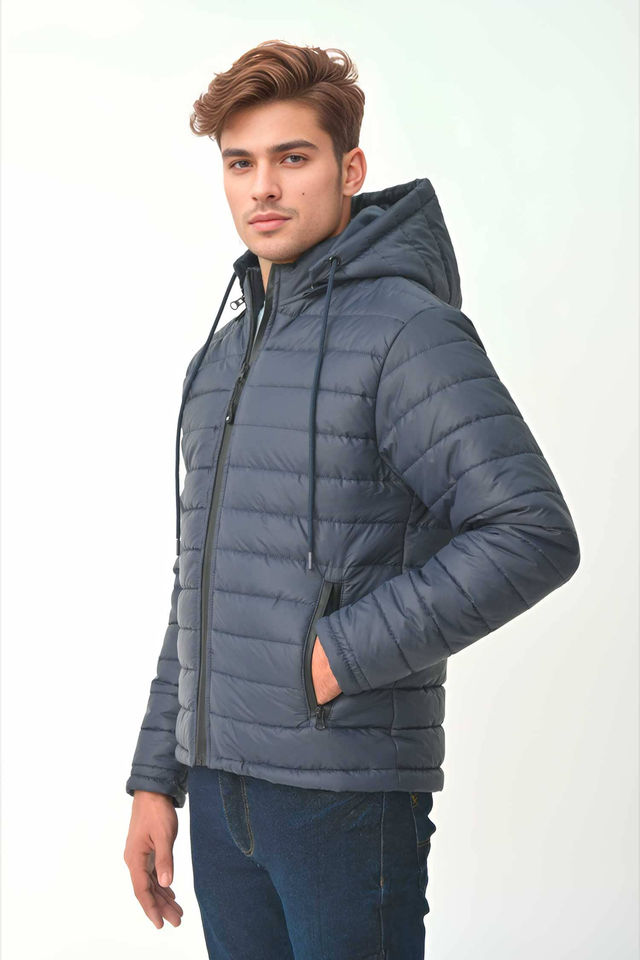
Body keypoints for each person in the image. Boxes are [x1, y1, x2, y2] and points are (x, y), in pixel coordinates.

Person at [123, 39, 581, 959]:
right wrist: (156, 776)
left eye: (292, 157)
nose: (263, 188)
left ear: (350, 169)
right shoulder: (219, 360)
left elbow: (531, 530)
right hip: (219, 793)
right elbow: (201, 580)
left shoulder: (408, 332)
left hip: (344, 799)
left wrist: (339, 654)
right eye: (240, 164)